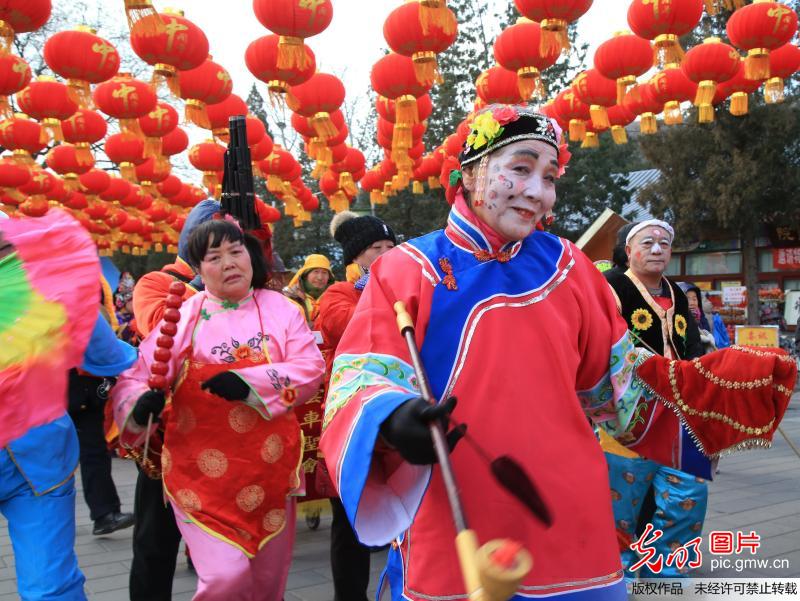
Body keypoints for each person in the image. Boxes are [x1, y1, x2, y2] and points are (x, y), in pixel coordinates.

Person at [112, 218, 325, 601]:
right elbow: (139, 375)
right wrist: (139, 405)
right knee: (225, 579)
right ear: (198, 269)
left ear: (250, 257)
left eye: (236, 251)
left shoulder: (283, 309)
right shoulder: (183, 316)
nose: (229, 263)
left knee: (266, 584)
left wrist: (251, 384)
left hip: (270, 473)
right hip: (200, 476)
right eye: (215, 256)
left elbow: (310, 368)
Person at [0, 209, 136, 600]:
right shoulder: (48, 286)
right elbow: (113, 358)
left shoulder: (50, 289)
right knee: (50, 587)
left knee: (52, 587)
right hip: (40, 458)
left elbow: (111, 356)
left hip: (38, 464)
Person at [126, 199, 220, 601]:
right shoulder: (155, 282)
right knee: (154, 540)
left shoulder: (244, 286)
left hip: (229, 430)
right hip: (171, 431)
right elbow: (155, 328)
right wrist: (206, 289)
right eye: (214, 244)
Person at [604, 222, 709, 579]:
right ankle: (618, 573)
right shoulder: (611, 288)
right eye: (647, 242)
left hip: (679, 409)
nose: (657, 249)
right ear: (628, 251)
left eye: (664, 243)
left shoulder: (677, 292)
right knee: (621, 499)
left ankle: (667, 569)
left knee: (688, 490)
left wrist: (702, 380)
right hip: (628, 410)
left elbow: (692, 344)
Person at [315, 211, 396, 601]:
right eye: (374, 249)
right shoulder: (339, 295)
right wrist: (383, 298)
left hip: (397, 415)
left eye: (389, 247)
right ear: (355, 256)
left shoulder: (402, 285)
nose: (384, 254)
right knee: (349, 522)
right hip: (353, 420)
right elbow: (349, 327)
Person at [68, 287, 138, 535]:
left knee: (88, 453)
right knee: (87, 453)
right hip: (69, 387)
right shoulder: (67, 295)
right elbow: (106, 349)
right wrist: (137, 357)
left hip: (73, 389)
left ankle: (102, 513)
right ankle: (103, 513)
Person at [284, 253, 335, 325]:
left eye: (324, 272)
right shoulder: (290, 297)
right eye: (316, 272)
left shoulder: (336, 298)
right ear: (305, 275)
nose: (320, 277)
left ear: (329, 277)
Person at [679, 282, 716, 354]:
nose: (692, 303)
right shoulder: (677, 320)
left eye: (694, 299)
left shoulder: (702, 318)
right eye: (687, 299)